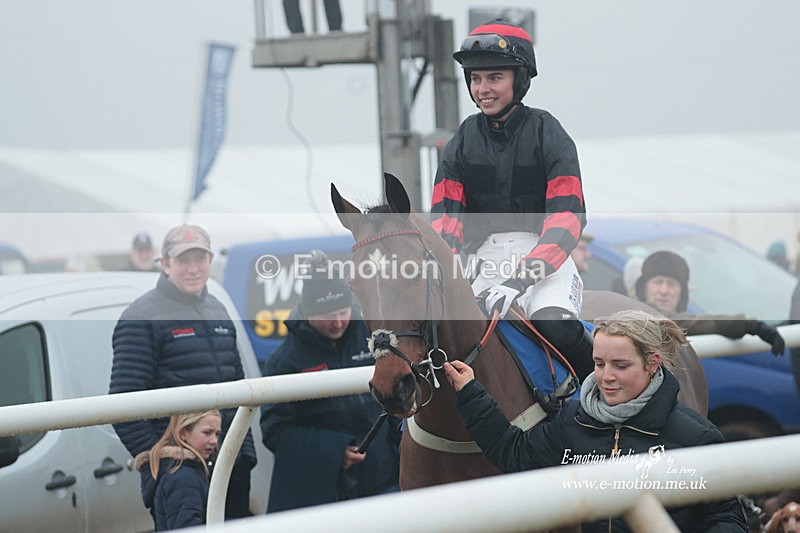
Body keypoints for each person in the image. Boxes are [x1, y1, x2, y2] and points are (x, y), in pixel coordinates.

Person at [444, 309, 749, 531]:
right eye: (599, 364)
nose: (606, 377)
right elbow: (514, 452)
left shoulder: (696, 437)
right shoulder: (573, 421)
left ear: (652, 363)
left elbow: (727, 518)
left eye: (620, 365)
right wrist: (471, 392)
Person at [430, 19, 593, 380]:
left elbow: (566, 221)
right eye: (475, 79)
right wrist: (453, 274)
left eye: (494, 78)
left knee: (554, 326)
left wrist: (519, 281)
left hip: (544, 260)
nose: (482, 89)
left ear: (519, 80)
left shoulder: (548, 132)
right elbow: (446, 222)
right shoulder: (460, 141)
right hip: (482, 262)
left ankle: (600, 402)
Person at [109, 224, 256, 520]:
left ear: (210, 261)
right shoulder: (141, 317)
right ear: (164, 264)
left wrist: (245, 452)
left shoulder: (217, 310)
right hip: (181, 476)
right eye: (183, 260)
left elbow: (238, 386)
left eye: (199, 259)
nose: (193, 269)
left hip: (229, 465)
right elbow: (122, 403)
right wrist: (163, 460)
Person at [260, 251, 401, 512]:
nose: (338, 322)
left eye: (342, 311)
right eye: (327, 315)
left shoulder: (372, 336)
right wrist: (334, 451)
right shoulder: (284, 361)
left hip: (385, 478)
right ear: (308, 313)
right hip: (326, 491)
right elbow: (274, 430)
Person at [634, 250, 785, 356]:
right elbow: (679, 323)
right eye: (658, 282)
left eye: (672, 283)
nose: (664, 290)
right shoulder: (636, 318)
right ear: (643, 287)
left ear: (683, 293)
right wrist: (749, 325)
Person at [135, 410, 221, 531]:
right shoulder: (183, 477)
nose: (214, 441)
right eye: (207, 433)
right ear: (182, 433)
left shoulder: (187, 471)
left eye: (217, 434)